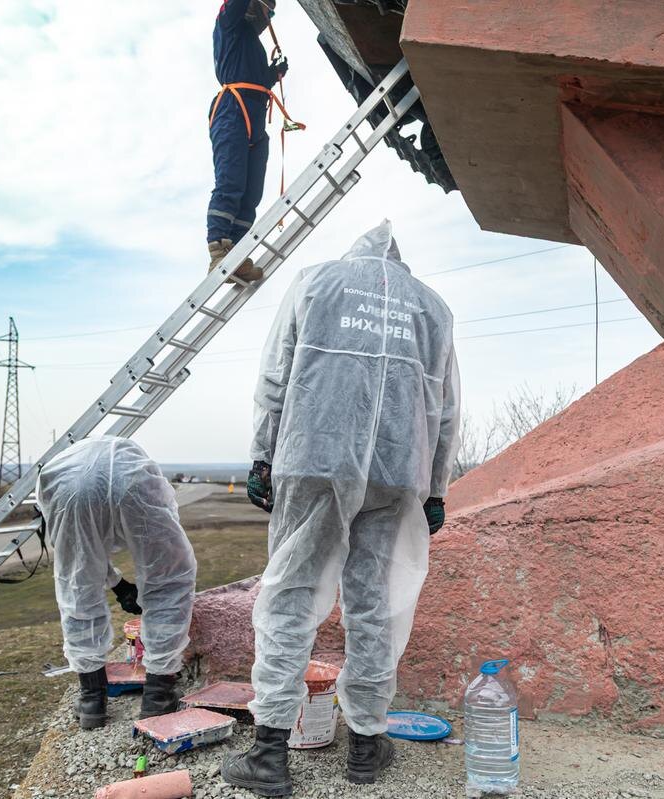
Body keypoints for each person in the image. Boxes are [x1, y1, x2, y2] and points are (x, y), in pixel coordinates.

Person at [222, 221, 461, 795]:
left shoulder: (316, 281)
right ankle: (365, 746)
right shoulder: (432, 308)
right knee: (376, 603)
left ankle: (269, 754)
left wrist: (261, 455)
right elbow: (446, 406)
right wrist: (436, 487)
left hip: (313, 456)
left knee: (290, 594)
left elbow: (276, 375)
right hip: (398, 468)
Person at [37, 436, 198, 730]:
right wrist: (120, 584)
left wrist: (119, 585)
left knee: (77, 588)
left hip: (68, 489)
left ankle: (92, 700)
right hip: (133, 480)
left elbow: (83, 559)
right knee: (169, 579)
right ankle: (158, 696)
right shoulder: (124, 459)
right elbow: (164, 564)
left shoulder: (60, 469)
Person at [207, 0, 288, 283]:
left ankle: (237, 253)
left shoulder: (252, 43)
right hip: (232, 110)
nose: (269, 16)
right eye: (268, 9)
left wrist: (274, 74)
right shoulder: (229, 25)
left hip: (255, 114)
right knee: (230, 181)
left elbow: (257, 78)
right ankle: (219, 250)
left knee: (251, 192)